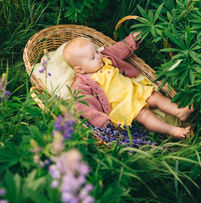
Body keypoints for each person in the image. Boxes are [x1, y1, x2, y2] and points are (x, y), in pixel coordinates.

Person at [63, 32, 194, 138]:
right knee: (145, 115)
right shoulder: (82, 84)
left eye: (96, 51)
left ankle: (179, 111)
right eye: (92, 58)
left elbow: (119, 49)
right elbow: (83, 104)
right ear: (80, 69)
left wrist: (132, 40)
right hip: (123, 105)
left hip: (134, 89)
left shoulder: (105, 57)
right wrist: (100, 119)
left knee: (155, 96)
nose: (98, 56)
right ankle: (172, 130)